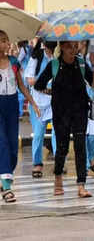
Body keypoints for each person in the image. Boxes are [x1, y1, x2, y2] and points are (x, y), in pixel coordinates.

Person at [35, 41, 94, 198]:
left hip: (80, 110)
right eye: (69, 46)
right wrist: (52, 92)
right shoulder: (54, 65)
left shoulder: (82, 64)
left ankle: (81, 185)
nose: (73, 49)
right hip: (60, 112)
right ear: (62, 47)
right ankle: (58, 179)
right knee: (62, 147)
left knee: (80, 146)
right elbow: (38, 85)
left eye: (75, 46)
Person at [0, 30, 40, 203]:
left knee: (12, 148)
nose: (6, 44)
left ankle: (4, 178)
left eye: (7, 40)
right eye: (2, 41)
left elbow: (22, 86)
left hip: (11, 105)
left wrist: (32, 102)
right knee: (1, 143)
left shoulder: (14, 62)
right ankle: (7, 187)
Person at [25, 38, 57, 178]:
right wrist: (45, 87)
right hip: (37, 102)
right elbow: (30, 79)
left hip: (55, 102)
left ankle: (59, 161)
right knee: (38, 134)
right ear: (45, 46)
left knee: (58, 132)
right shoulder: (36, 57)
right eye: (50, 49)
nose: (51, 52)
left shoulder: (59, 58)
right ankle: (37, 163)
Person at [78, 40, 94, 174]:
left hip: (93, 99)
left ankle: (90, 158)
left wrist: (93, 64)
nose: (79, 44)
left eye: (81, 41)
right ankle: (86, 164)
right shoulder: (72, 58)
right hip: (77, 100)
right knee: (81, 134)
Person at [17, 40, 31, 117]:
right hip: (30, 73)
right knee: (29, 92)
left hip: (24, 73)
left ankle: (20, 112)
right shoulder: (30, 48)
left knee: (21, 92)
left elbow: (18, 60)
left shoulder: (23, 49)